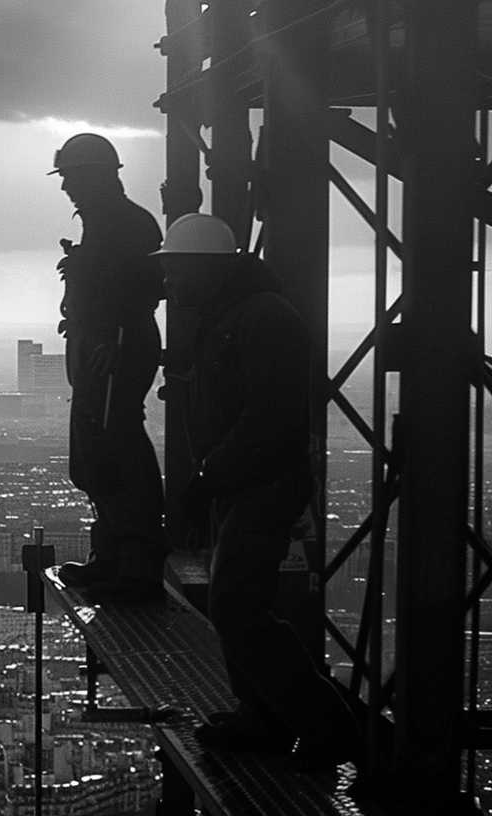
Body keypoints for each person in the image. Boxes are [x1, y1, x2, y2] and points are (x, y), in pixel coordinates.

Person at [156, 213, 357, 770]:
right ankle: (265, 716)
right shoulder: (237, 314)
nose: (169, 283)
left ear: (206, 268)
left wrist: (208, 477)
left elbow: (267, 418)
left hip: (261, 483)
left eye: (175, 270)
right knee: (237, 604)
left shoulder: (261, 319)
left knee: (238, 607)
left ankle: (325, 725)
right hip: (245, 481)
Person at [49, 133, 168, 601]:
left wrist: (113, 334)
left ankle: (134, 567)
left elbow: (144, 288)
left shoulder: (127, 223)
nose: (66, 189)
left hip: (116, 348)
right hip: (102, 346)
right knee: (100, 450)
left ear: (95, 174)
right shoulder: (108, 222)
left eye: (71, 177)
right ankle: (115, 559)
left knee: (116, 448)